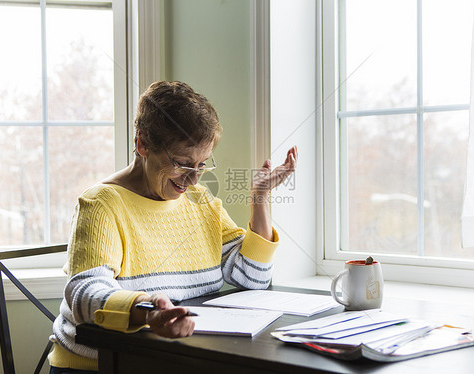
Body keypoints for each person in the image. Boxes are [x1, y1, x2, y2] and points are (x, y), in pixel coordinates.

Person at [48, 81, 298, 373]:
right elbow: (83, 295)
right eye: (182, 163)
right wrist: (147, 309)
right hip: (104, 365)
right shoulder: (102, 203)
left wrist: (260, 198)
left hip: (175, 359)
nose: (192, 180)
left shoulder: (200, 200)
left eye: (202, 165)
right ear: (142, 144)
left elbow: (253, 278)